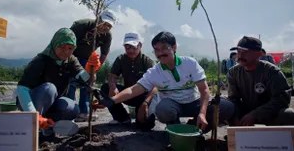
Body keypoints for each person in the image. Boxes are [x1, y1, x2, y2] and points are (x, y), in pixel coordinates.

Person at [94, 31, 234, 133]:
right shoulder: (155, 71)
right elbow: (133, 89)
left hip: (194, 102)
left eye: (164, 49)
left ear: (174, 47)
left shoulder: (190, 63)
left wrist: (202, 113)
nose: (160, 53)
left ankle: (194, 127)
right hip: (172, 105)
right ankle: (175, 129)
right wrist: (112, 101)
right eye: (156, 50)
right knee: (162, 109)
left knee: (227, 107)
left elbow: (204, 90)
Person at [15, 28, 91, 136]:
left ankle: (47, 126)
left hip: (52, 103)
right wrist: (34, 114)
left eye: (70, 48)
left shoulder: (71, 60)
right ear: (55, 44)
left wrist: (90, 69)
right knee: (49, 88)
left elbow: (82, 76)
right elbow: (22, 89)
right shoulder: (40, 61)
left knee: (73, 108)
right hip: (30, 104)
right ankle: (33, 127)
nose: (66, 51)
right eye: (62, 47)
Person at [228, 36, 294, 126]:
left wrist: (256, 114)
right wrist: (236, 117)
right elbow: (233, 98)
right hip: (245, 113)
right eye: (239, 51)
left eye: (245, 52)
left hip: (269, 113)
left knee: (289, 114)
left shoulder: (271, 71)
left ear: (258, 54)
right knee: (226, 108)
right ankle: (237, 134)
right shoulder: (233, 72)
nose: (240, 55)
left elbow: (282, 98)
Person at [100, 32, 158, 130]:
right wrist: (112, 86)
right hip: (127, 94)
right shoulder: (121, 59)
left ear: (140, 45)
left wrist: (146, 103)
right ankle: (122, 118)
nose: (130, 50)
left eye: (134, 47)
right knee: (105, 88)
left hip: (143, 97)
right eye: (127, 47)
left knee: (145, 126)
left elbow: (155, 86)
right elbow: (112, 75)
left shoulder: (147, 61)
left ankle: (143, 115)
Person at [67, 10, 117, 121]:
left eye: (109, 26)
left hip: (88, 60)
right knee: (71, 83)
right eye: (104, 23)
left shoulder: (107, 36)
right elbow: (67, 45)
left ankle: (84, 112)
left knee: (88, 84)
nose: (105, 27)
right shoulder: (81, 25)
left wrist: (95, 70)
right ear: (98, 19)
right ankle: (69, 112)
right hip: (71, 56)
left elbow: (104, 54)